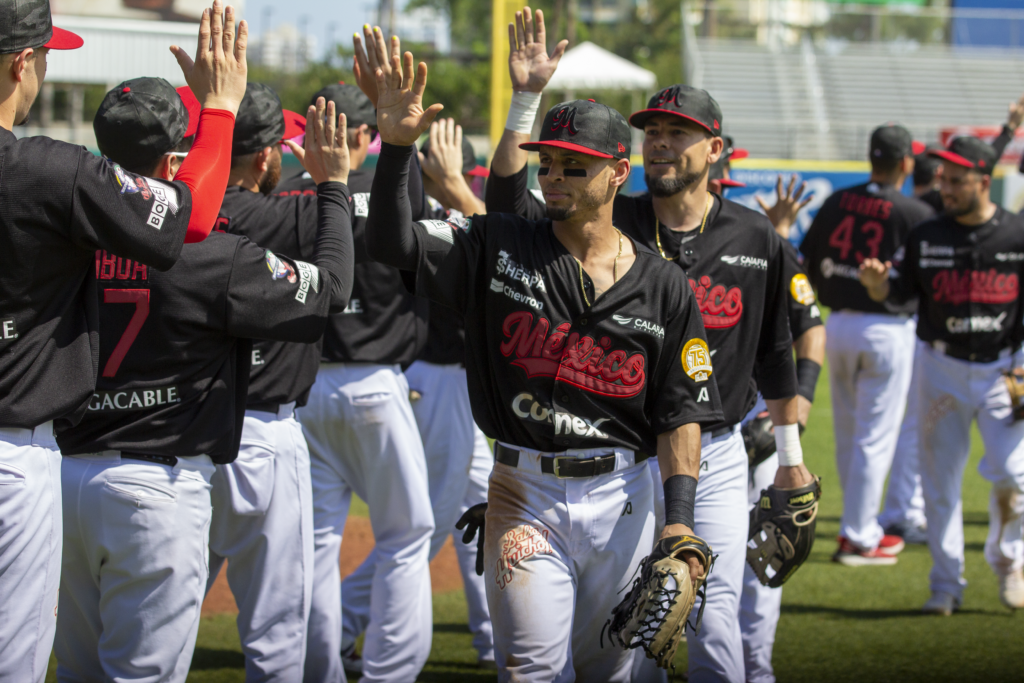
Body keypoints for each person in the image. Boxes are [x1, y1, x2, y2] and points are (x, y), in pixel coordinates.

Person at [361, 27, 724, 680]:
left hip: (624, 500)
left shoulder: (664, 284)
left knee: (607, 672)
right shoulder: (497, 244)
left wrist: (679, 523)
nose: (554, 176)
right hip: (522, 494)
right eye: (548, 163)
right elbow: (390, 243)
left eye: (574, 166)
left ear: (618, 172)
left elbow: (680, 411)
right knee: (530, 667)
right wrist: (396, 148)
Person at [485, 8, 815, 680]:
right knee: (632, 628)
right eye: (652, 133)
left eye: (678, 133)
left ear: (714, 149)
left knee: (709, 611)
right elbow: (508, 213)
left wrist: (790, 458)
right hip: (627, 453)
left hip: (716, 450)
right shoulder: (612, 219)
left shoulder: (756, 238)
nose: (660, 144)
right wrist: (526, 99)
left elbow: (777, 352)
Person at [53, 78, 353, 682]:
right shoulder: (215, 254)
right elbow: (332, 293)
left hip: (64, 476)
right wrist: (334, 185)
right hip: (157, 488)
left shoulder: (64, 240)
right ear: (175, 159)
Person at [0, 2, 243, 679]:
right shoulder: (51, 171)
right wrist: (218, 107)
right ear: (22, 63)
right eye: (44, 57)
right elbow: (186, 220)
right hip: (12, 457)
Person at [280, 44, 435, 681]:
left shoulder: (297, 191)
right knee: (406, 535)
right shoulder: (391, 186)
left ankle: (320, 671)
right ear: (367, 134)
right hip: (374, 384)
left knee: (315, 545)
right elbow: (410, 200)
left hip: (306, 386)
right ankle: (389, 672)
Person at [860, 136, 1024, 615]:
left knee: (1016, 476)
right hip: (941, 367)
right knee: (939, 484)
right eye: (943, 179)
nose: (944, 188)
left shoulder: (1016, 235)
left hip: (1003, 371)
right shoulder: (926, 235)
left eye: (956, 181)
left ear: (982, 181)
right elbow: (901, 296)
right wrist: (878, 287)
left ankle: (1010, 560)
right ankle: (946, 583)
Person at [205, 81, 327, 681]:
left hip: (185, 428)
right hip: (264, 436)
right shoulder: (294, 214)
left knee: (156, 625)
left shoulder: (174, 209)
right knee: (276, 634)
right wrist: (333, 178)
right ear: (265, 156)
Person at [800, 124, 934, 566]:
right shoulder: (914, 211)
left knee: (850, 435)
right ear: (906, 163)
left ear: (870, 157)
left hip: (835, 324)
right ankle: (858, 536)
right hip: (887, 330)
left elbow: (808, 261)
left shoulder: (839, 200)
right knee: (874, 439)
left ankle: (857, 525)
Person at [408, 116, 497, 668]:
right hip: (439, 377)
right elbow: (492, 243)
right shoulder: (426, 217)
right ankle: (347, 614)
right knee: (430, 523)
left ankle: (492, 638)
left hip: (454, 380)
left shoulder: (460, 209)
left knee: (476, 512)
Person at [739, 171, 826, 683]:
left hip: (756, 420)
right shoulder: (649, 242)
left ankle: (755, 669)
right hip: (673, 427)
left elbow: (811, 330)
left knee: (762, 555)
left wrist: (798, 411)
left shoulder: (760, 244)